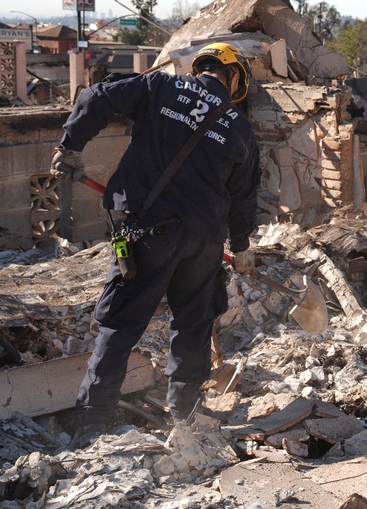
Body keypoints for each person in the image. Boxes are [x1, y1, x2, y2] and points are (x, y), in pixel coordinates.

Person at [50, 42, 261, 445]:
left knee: (121, 325)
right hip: (204, 242)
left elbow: (96, 96)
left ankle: (93, 424)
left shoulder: (160, 87)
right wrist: (244, 245)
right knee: (194, 327)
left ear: (202, 67)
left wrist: (71, 146)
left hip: (148, 233)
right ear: (234, 78)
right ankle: (184, 417)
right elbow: (244, 196)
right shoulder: (239, 126)